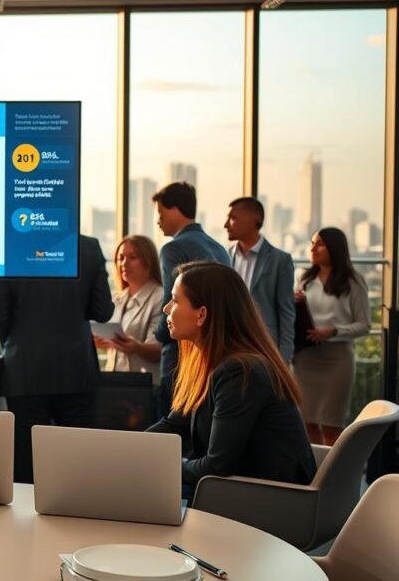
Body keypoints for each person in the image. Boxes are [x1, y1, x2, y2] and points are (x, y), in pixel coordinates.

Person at [147, 261, 316, 500]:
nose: (166, 308)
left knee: (143, 490)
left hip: (269, 499)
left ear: (202, 314)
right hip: (244, 486)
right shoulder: (214, 363)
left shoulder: (239, 371)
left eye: (174, 300)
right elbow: (175, 425)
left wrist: (157, 467)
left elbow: (217, 465)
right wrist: (132, 449)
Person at [0, 234, 114, 484]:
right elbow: (102, 311)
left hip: (24, 371)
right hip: (76, 370)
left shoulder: (12, 244)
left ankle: (24, 522)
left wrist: (17, 347)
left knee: (25, 463)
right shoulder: (89, 247)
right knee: (77, 460)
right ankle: (75, 517)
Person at [151, 182, 230, 417]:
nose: (158, 221)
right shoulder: (219, 248)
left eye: (161, 214)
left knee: (172, 429)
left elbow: (170, 302)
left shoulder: (173, 249)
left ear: (175, 210)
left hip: (181, 354)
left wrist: (158, 335)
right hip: (214, 350)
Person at [293, 227, 370, 446]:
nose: (312, 248)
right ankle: (316, 475)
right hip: (305, 358)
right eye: (312, 243)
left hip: (337, 360)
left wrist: (334, 331)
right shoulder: (304, 279)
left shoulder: (354, 281)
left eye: (320, 244)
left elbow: (364, 325)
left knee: (331, 425)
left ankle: (334, 477)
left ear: (334, 248)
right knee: (307, 423)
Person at [224, 197, 296, 363]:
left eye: (233, 218)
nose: (226, 224)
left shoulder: (280, 260)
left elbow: (286, 312)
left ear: (253, 221)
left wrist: (284, 358)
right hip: (230, 347)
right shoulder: (224, 257)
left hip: (266, 348)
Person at [94, 235, 162, 386]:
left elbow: (158, 349)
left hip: (143, 386)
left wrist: (135, 346)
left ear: (148, 261)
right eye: (120, 258)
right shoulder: (118, 298)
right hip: (114, 382)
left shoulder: (160, 297)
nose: (124, 263)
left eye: (132, 257)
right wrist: (105, 342)